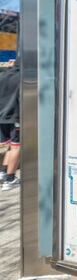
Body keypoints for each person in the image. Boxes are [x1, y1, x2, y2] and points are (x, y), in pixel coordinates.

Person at [0, 59, 20, 191]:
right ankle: (10, 179)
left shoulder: (2, 75)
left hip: (2, 116)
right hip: (15, 115)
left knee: (10, 146)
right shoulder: (22, 77)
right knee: (17, 147)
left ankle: (4, 171)